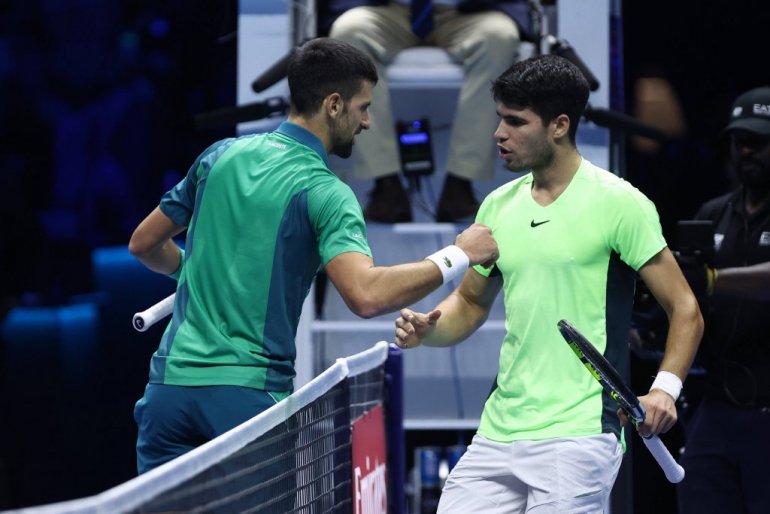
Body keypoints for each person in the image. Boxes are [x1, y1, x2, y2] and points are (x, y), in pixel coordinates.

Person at [128, 37, 499, 474]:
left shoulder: (219, 156)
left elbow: (144, 244)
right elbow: (366, 295)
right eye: (363, 107)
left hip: (167, 392)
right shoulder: (326, 192)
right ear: (334, 105)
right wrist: (457, 255)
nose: (367, 122)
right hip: (247, 399)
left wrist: (196, 276)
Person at [394, 54, 703, 513]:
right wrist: (430, 329)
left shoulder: (621, 204)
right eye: (500, 118)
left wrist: (665, 389)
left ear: (560, 125)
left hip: (579, 434)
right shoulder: (496, 208)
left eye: (516, 121)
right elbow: (470, 303)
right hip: (498, 430)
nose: (499, 133)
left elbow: (685, 309)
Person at [319, 0, 533, 223]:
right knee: (348, 32)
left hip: (464, 12)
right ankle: (386, 185)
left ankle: (460, 185)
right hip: (389, 9)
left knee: (499, 36)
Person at [676, 86, 770, 514]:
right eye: (739, 141)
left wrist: (710, 280)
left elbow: (705, 282)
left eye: (758, 141)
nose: (746, 150)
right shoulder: (713, 214)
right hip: (716, 408)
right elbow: (689, 295)